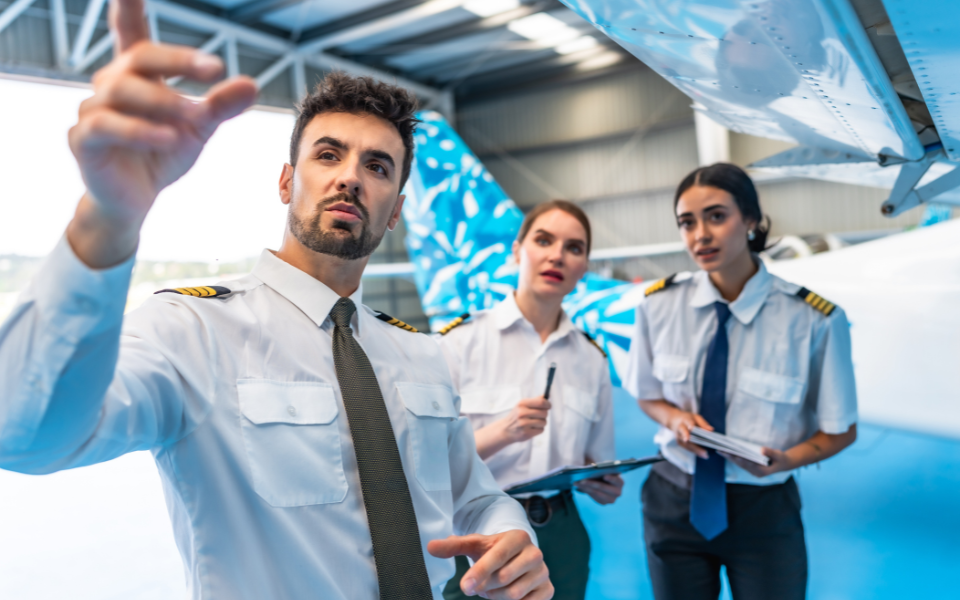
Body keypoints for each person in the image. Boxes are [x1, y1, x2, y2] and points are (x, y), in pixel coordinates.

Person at [0, 1, 553, 598]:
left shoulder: (420, 354)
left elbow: (472, 493)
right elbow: (28, 436)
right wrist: (107, 219)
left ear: (396, 211)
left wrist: (509, 531)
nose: (350, 177)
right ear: (287, 183)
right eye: (328, 154)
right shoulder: (193, 330)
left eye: (377, 166)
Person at [624, 163, 858, 600]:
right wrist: (674, 419)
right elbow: (648, 395)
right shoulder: (657, 307)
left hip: (763, 508)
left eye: (716, 216)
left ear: (750, 219)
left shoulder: (813, 321)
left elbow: (841, 430)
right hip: (673, 499)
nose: (700, 235)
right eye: (687, 222)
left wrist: (786, 460)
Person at [438, 200, 623, 600]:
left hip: (561, 531)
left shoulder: (592, 359)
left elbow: (596, 457)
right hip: (475, 529)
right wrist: (502, 432)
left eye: (574, 248)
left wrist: (599, 481)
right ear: (518, 251)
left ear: (584, 267)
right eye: (544, 240)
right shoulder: (458, 343)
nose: (557, 254)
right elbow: (428, 459)